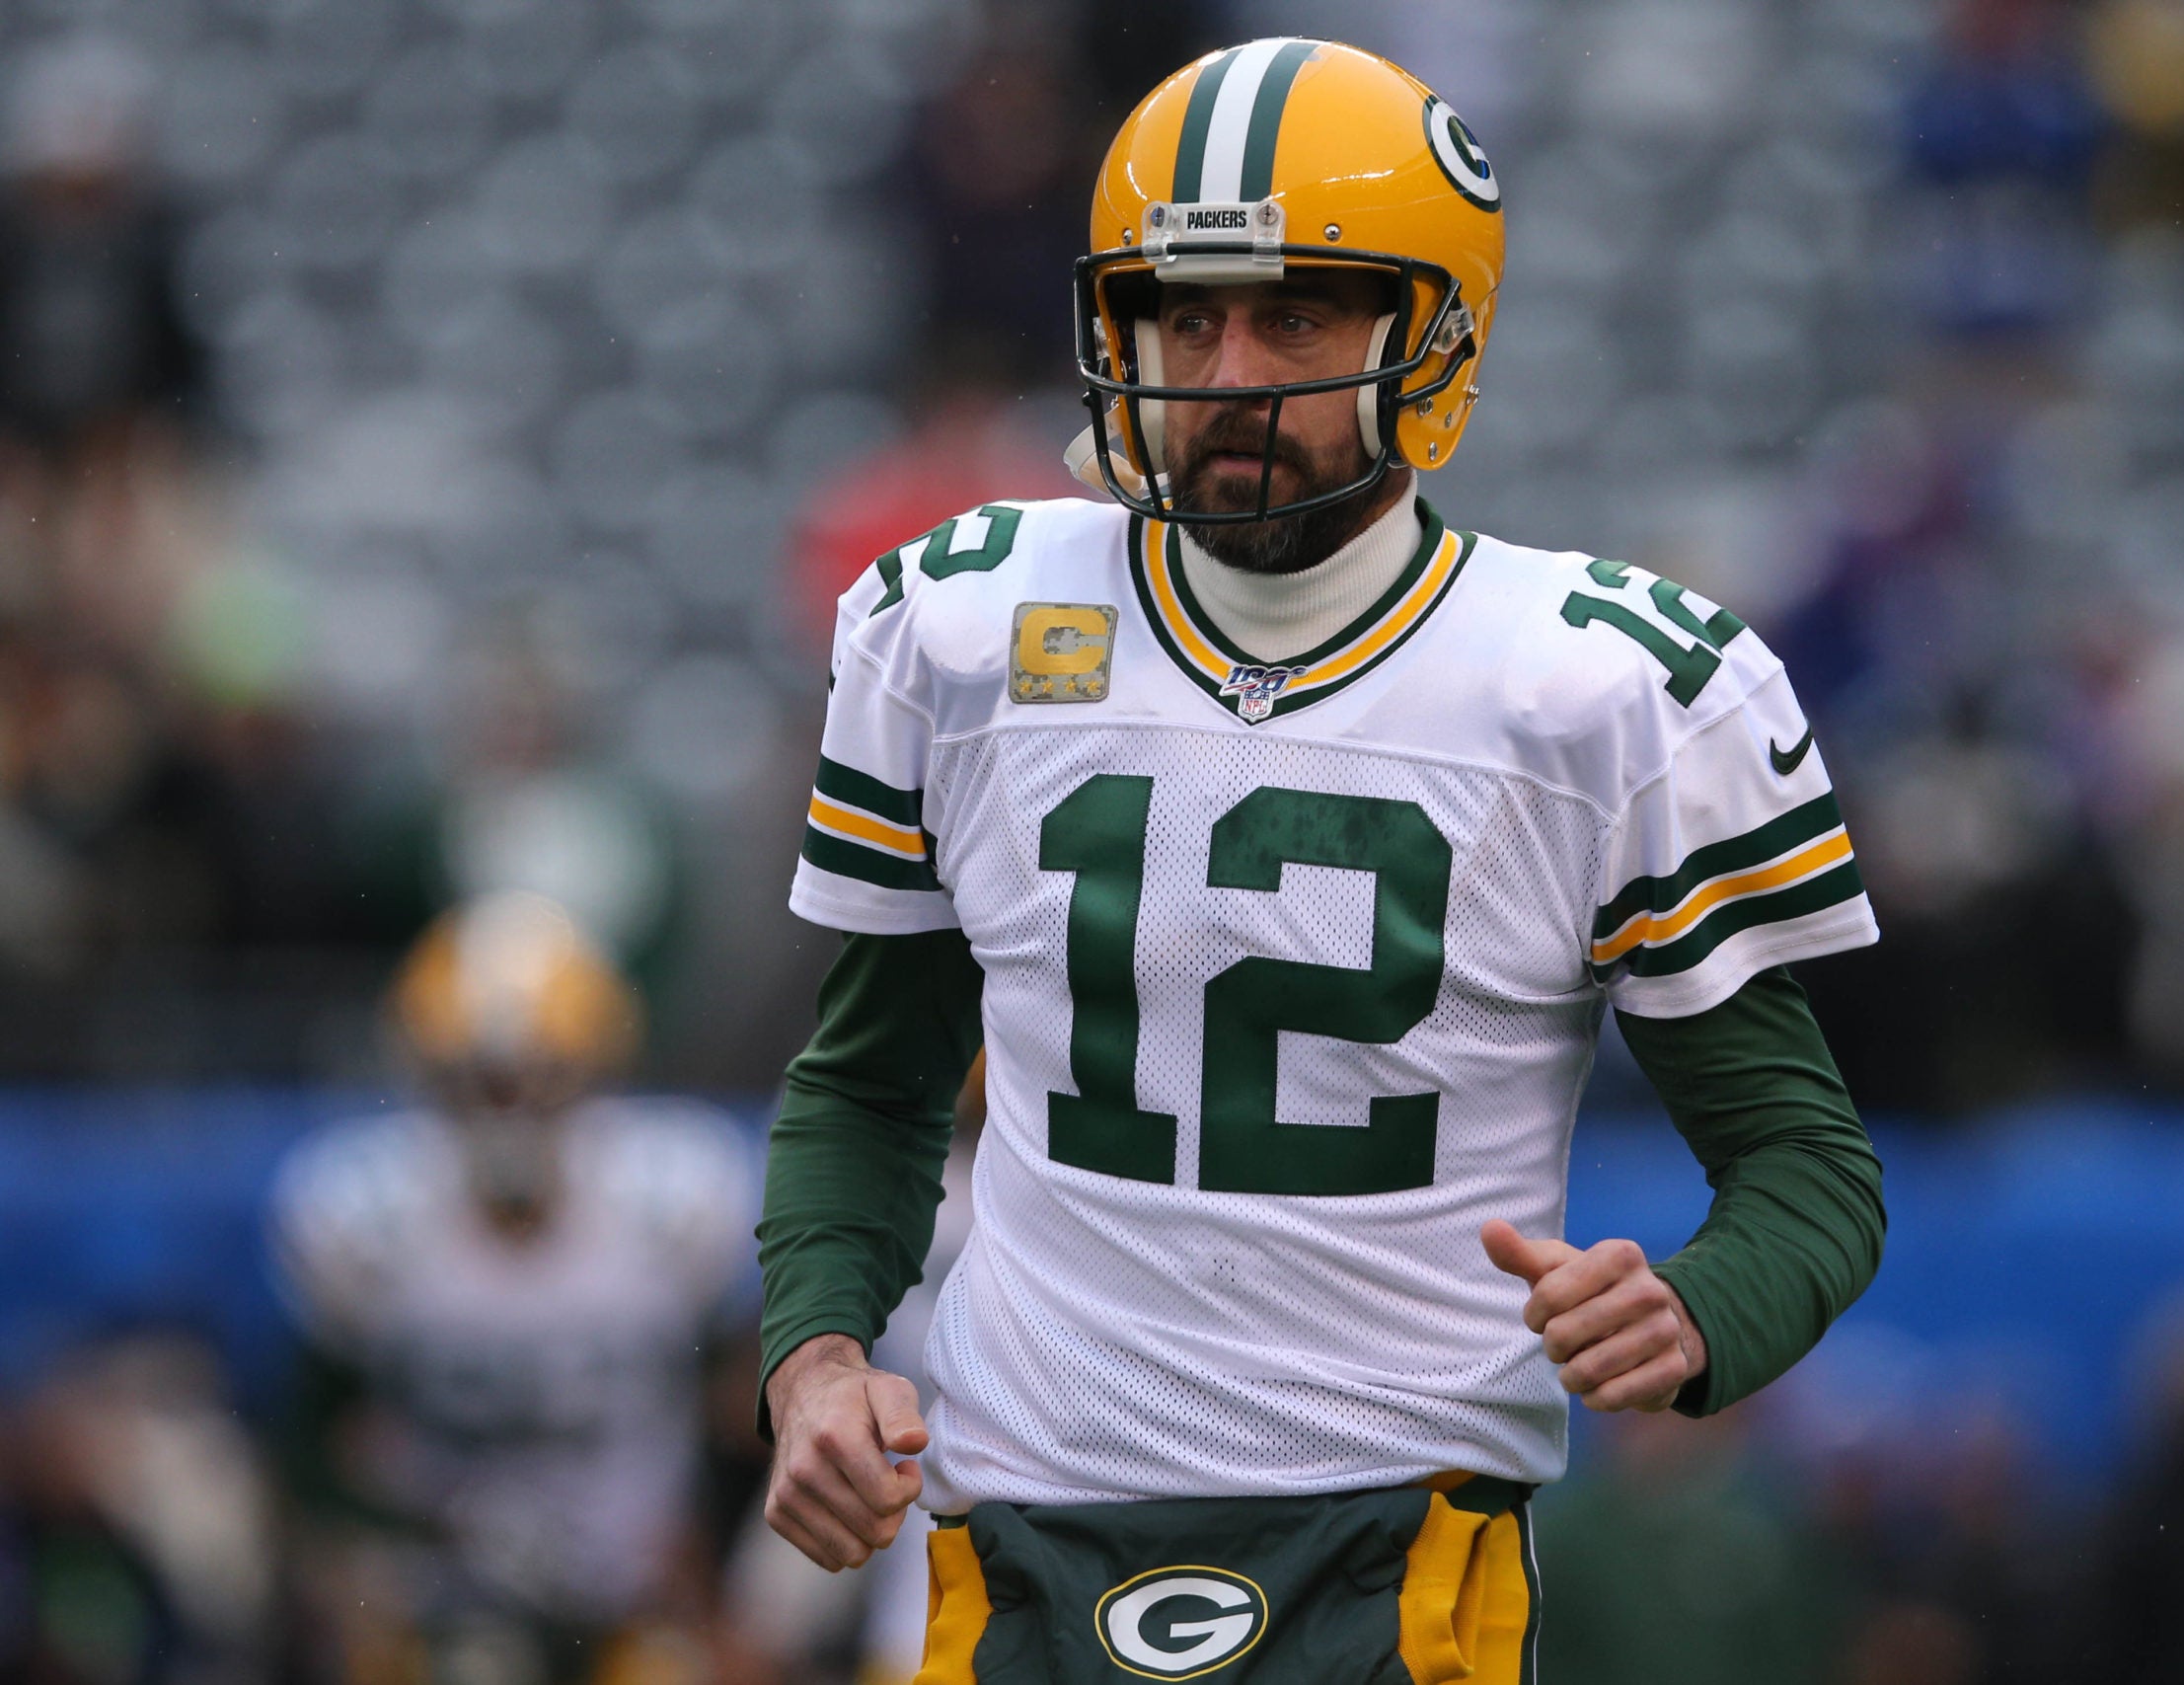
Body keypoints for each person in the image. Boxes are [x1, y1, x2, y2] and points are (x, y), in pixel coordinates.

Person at [756, 38, 1887, 1681]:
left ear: (1431, 336)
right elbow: (869, 1089)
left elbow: (1808, 1170)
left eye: (1294, 314)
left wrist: (1704, 1309)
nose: (1223, 369)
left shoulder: (1592, 689)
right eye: (1182, 313)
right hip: (1007, 1544)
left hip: (1393, 1552)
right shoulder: (964, 627)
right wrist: (814, 1356)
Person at [267, 893, 757, 1685]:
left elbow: (735, 1413)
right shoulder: (364, 1220)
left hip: (640, 1592)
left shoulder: (675, 1207)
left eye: (540, 1077)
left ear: (597, 1070)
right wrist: (409, 1539)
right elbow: (314, 1443)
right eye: (479, 1082)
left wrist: (712, 1577)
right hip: (436, 1593)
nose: (510, 1111)